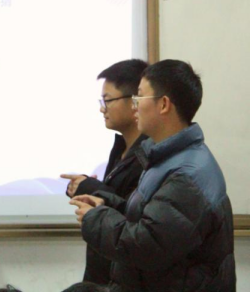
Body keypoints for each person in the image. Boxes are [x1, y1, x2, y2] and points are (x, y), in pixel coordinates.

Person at [71, 60, 236, 291]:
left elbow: (147, 246)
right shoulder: (167, 158)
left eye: (139, 97)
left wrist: (95, 219)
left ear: (164, 104)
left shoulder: (187, 175)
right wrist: (106, 205)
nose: (134, 107)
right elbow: (151, 217)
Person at [60, 59, 149, 285]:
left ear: (135, 101)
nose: (102, 108)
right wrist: (86, 188)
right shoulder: (121, 148)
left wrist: (90, 188)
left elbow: (134, 215)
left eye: (108, 101)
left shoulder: (149, 155)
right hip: (104, 267)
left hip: (125, 275)